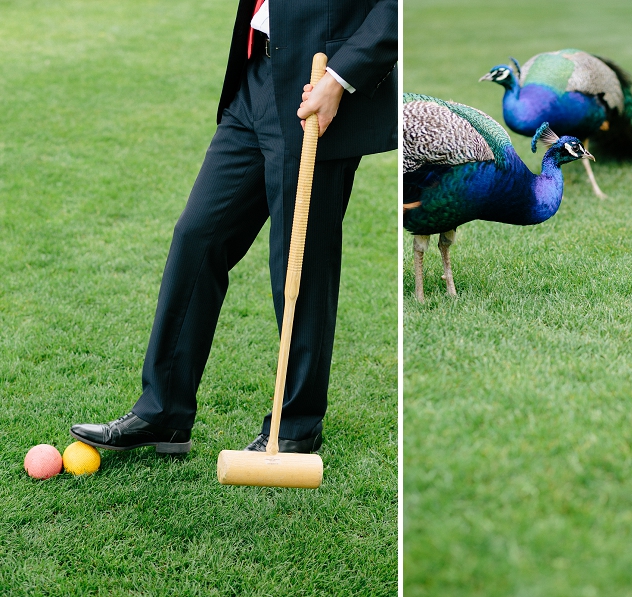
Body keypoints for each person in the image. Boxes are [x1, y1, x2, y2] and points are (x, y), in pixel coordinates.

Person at [69, 0, 398, 455]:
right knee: (196, 237)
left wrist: (343, 77)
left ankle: (295, 427)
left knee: (300, 263)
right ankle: (164, 411)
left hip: (319, 86)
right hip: (256, 76)